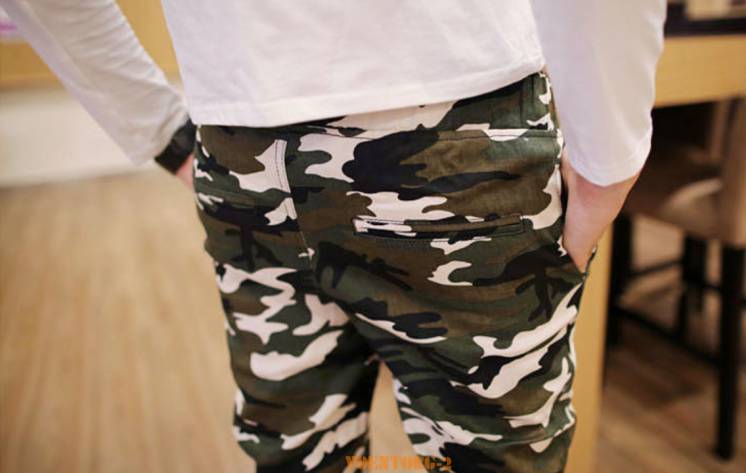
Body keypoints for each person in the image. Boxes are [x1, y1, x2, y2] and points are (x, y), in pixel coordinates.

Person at [2, 1, 666, 471]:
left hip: (242, 144)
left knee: (299, 453)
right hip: (460, 138)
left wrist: (161, 131)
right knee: (493, 458)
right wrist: (608, 158)